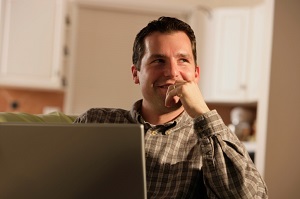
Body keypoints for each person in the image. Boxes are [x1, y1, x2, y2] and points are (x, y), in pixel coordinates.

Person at [74, 16, 268, 198]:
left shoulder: (216, 140)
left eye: (183, 60)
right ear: (136, 74)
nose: (172, 72)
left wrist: (203, 114)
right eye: (158, 60)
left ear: (195, 74)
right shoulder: (93, 122)